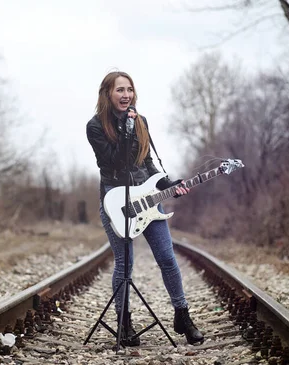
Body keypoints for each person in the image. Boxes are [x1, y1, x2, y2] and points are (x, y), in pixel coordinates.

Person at [86, 71, 204, 346]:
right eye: (120, 90)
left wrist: (168, 183)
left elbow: (147, 163)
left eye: (129, 90)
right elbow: (114, 162)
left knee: (167, 258)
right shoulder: (95, 126)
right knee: (125, 264)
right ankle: (123, 323)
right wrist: (126, 133)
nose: (126, 95)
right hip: (117, 203)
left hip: (149, 201)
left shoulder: (141, 122)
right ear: (107, 94)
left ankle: (182, 316)